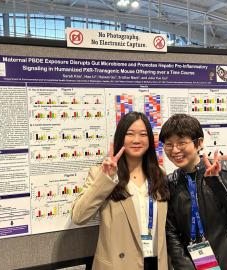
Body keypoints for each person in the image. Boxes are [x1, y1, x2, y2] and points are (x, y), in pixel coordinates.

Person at [160, 113, 227, 270]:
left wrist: (218, 184)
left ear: (199, 143)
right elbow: (171, 233)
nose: (175, 150)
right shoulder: (170, 183)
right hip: (196, 265)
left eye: (181, 143)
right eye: (168, 144)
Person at [72, 111, 170, 270]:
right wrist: (106, 178)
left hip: (156, 263)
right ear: (120, 138)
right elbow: (79, 216)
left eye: (143, 134)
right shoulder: (101, 173)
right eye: (130, 134)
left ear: (150, 140)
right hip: (118, 265)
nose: (137, 140)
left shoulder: (159, 173)